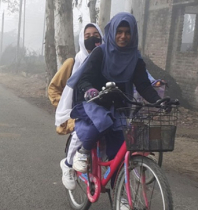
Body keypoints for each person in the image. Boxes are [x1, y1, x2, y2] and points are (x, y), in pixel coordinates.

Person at [64, 13, 163, 189]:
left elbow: (143, 85)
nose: (123, 36)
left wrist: (158, 101)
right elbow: (84, 78)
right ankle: (83, 152)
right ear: (112, 32)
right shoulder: (100, 52)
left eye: (127, 32)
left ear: (133, 34)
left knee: (117, 153)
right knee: (101, 122)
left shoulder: (135, 58)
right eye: (119, 31)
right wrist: (90, 90)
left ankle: (121, 198)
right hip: (93, 101)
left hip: (119, 104)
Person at [48, 23, 104, 190]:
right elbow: (54, 88)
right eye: (87, 36)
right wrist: (65, 108)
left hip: (98, 108)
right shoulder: (73, 62)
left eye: (96, 35)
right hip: (77, 113)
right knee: (82, 133)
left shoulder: (105, 61)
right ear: (81, 39)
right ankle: (68, 164)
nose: (92, 39)